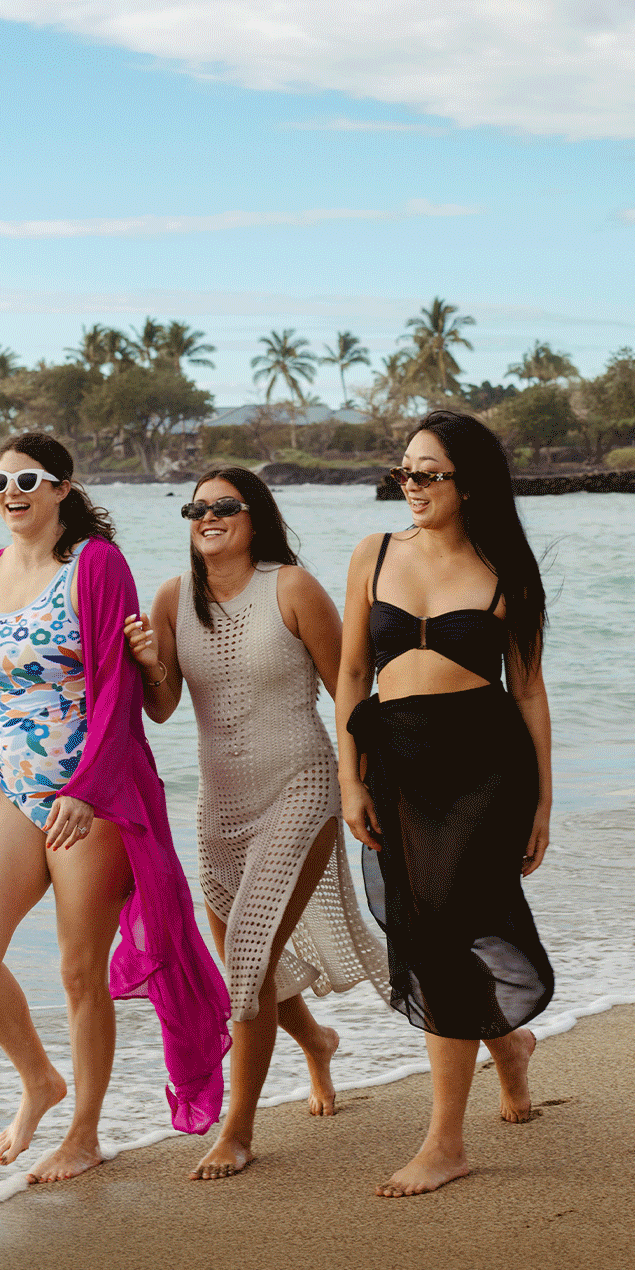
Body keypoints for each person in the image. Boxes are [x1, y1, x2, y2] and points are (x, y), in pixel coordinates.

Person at [0, 432, 230, 1183]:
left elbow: (118, 687)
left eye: (27, 479)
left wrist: (87, 790)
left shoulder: (95, 565)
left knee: (77, 969)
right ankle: (39, 1080)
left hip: (96, 794)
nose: (11, 492)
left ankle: (84, 1134)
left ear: (62, 488)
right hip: (11, 789)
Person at [124, 466, 389, 1180]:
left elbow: (348, 691)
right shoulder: (173, 599)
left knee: (246, 958)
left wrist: (360, 785)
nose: (208, 517)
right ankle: (317, 1043)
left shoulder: (292, 588)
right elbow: (162, 708)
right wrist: (148, 663)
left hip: (302, 787)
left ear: (255, 516)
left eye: (224, 506)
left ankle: (237, 1131)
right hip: (220, 810)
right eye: (196, 509)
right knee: (252, 967)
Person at [337, 410, 555, 1198]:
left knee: (440, 929)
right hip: (397, 763)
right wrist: (350, 779)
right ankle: (509, 1048)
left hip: (484, 767)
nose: (413, 485)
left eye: (429, 473)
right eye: (405, 471)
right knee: (429, 923)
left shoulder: (507, 571)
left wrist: (543, 804)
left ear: (469, 484)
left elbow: (527, 690)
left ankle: (445, 1142)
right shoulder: (374, 553)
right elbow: (351, 675)